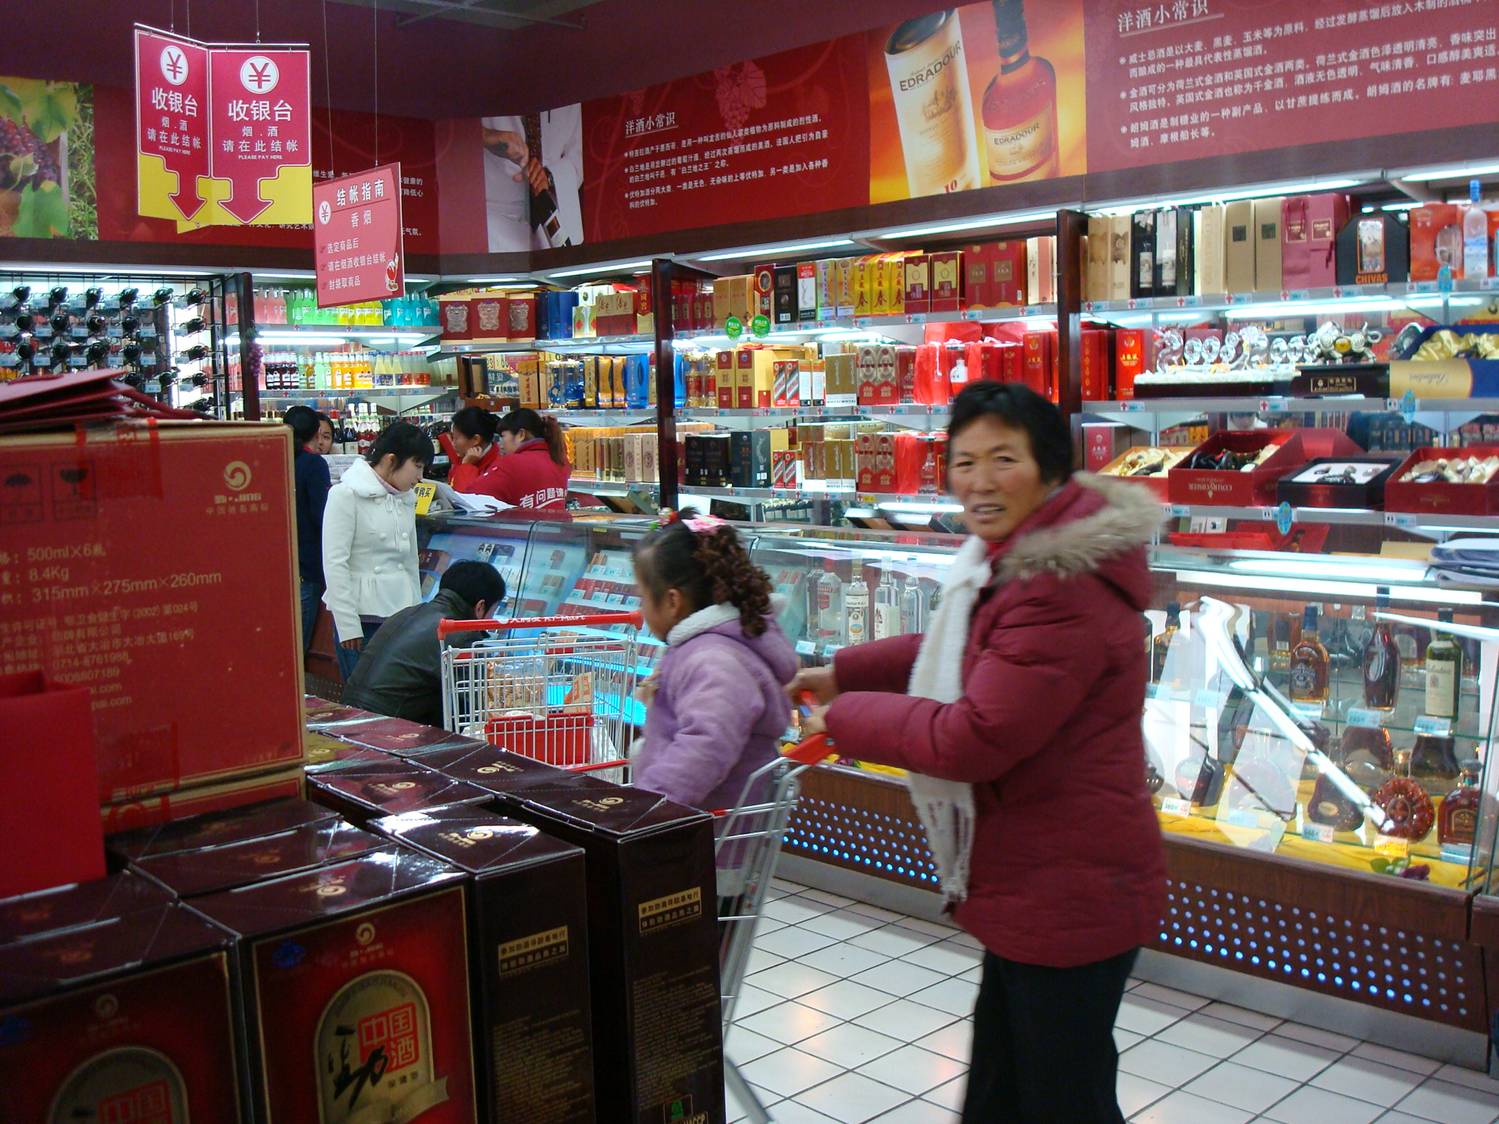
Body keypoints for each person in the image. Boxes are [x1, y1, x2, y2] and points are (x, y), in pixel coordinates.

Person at [795, 382, 1167, 1124]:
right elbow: (958, 648)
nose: (978, 480)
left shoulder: (1056, 585)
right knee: (1012, 1087)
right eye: (963, 461)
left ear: (1051, 470)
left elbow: (974, 737)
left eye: (1003, 458)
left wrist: (844, 719)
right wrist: (846, 671)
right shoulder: (1012, 559)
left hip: (1067, 886)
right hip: (1038, 876)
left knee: (1058, 1097)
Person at [631, 509, 796, 813]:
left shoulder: (714, 661)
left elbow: (706, 745)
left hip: (707, 839)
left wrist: (645, 810)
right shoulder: (702, 649)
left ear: (672, 601)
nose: (640, 607)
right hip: (692, 831)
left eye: (642, 597)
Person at [322, 421, 433, 683]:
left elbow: (408, 563)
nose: (419, 477)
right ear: (391, 459)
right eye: (416, 466)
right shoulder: (345, 494)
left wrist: (416, 618)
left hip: (401, 617)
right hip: (363, 619)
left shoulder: (405, 497)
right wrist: (348, 627)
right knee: (367, 694)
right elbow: (335, 564)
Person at [343, 561, 505, 727]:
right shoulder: (460, 635)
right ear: (480, 607)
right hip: (386, 728)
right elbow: (474, 710)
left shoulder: (407, 613)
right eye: (493, 612)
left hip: (349, 715)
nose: (492, 620)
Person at [453, 407, 570, 510]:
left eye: (503, 436)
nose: (501, 444)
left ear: (521, 434)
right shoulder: (559, 459)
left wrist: (466, 466)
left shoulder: (511, 463)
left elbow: (466, 501)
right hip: (555, 530)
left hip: (520, 532)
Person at [283, 405, 330, 653]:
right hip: (308, 567)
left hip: (283, 566)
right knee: (298, 649)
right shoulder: (313, 465)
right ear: (315, 433)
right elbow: (322, 516)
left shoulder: (277, 457)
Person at [444, 405, 501, 493]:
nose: (453, 443)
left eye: (456, 438)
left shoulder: (499, 465)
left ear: (476, 439)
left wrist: (467, 466)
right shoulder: (461, 456)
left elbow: (464, 499)